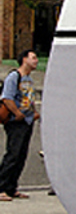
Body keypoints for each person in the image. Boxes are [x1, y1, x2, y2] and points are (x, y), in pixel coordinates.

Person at [0, 50, 40, 202]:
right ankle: (2, 187)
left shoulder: (28, 79)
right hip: (15, 122)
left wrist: (33, 113)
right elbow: (7, 98)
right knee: (13, 154)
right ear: (24, 59)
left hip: (27, 121)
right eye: (33, 58)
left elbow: (28, 99)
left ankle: (11, 187)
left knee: (21, 155)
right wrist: (18, 113)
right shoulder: (14, 77)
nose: (36, 61)